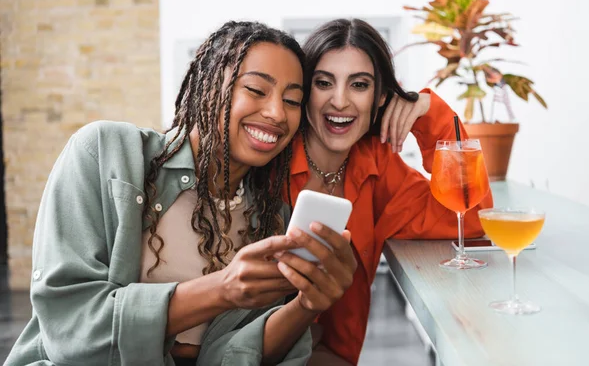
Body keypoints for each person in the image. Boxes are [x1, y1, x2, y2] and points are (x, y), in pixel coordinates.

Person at [5, 21, 356, 366]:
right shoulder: (105, 154)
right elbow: (71, 330)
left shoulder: (268, 220)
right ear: (207, 87)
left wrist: (306, 305)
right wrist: (222, 290)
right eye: (255, 90)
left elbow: (235, 355)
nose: (277, 113)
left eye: (292, 100)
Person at [278, 18, 494, 365]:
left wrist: (429, 112)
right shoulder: (270, 156)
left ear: (380, 96)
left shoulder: (377, 167)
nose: (339, 101)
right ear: (305, 90)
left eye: (359, 85)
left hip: (332, 356)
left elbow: (468, 217)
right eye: (323, 83)